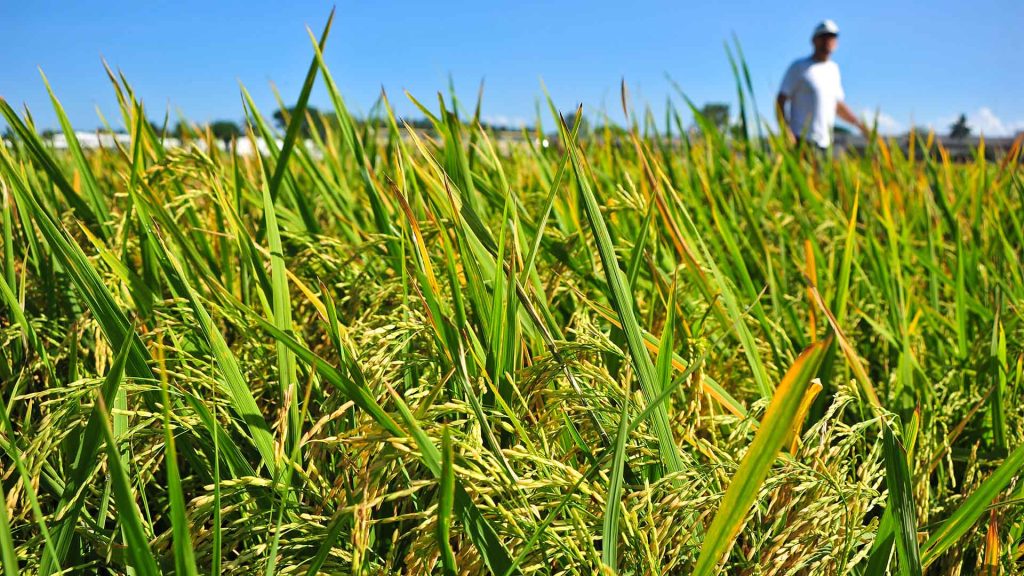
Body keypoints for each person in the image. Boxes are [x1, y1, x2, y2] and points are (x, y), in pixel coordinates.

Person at [776, 20, 868, 153]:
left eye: (832, 37)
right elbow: (781, 99)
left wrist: (860, 126)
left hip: (826, 144)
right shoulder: (799, 67)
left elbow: (837, 105)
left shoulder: (834, 70)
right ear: (814, 40)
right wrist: (785, 131)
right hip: (801, 141)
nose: (827, 40)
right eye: (823, 36)